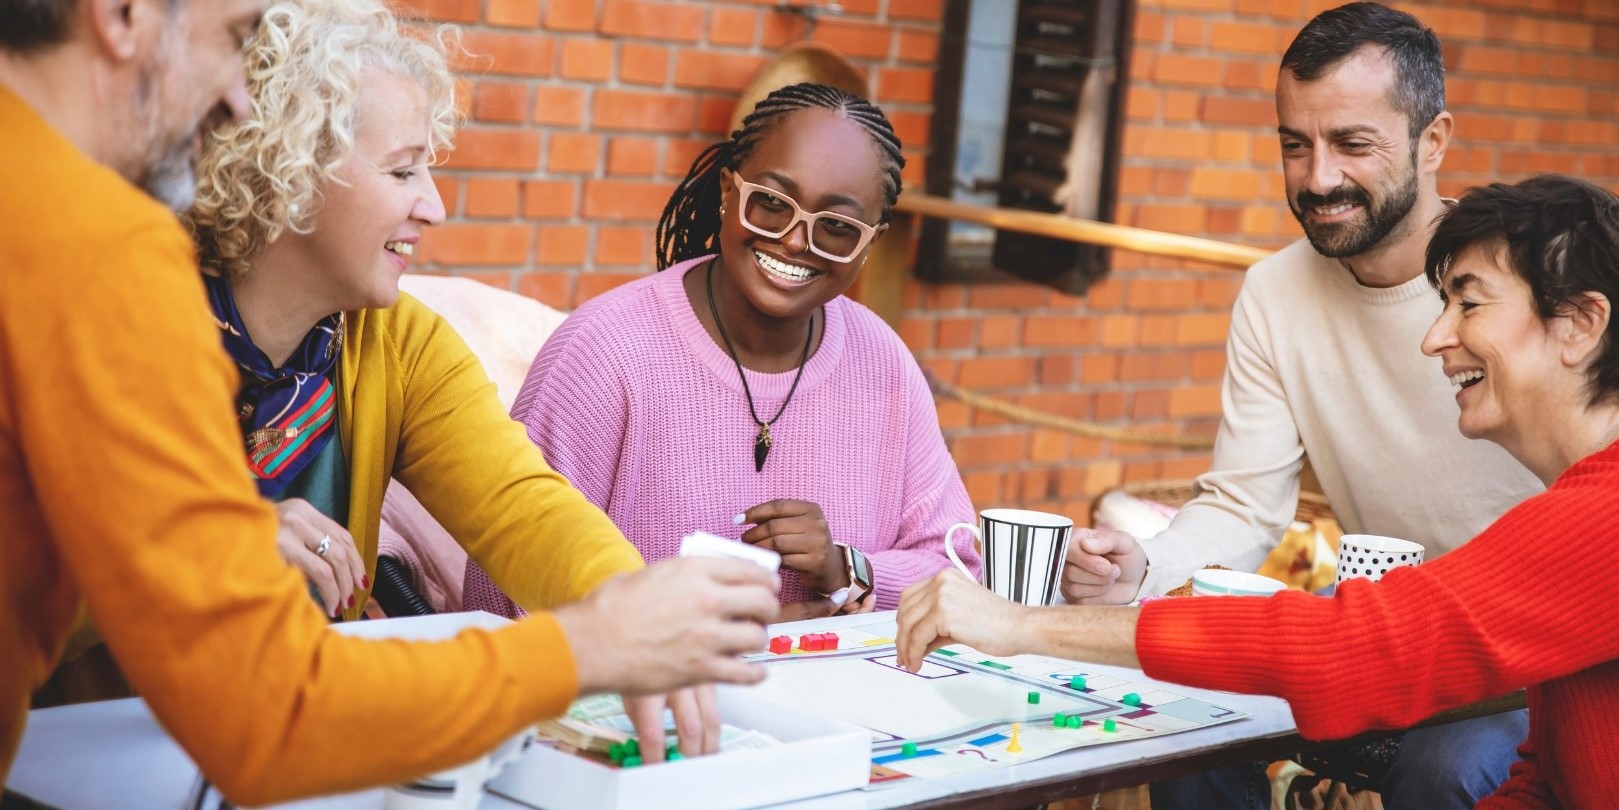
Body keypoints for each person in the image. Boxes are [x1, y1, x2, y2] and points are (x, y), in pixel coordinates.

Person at [0, 0, 776, 800]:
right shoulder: (112, 277)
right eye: (404, 169)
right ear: (288, 168)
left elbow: (528, 511)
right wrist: (235, 539)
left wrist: (631, 607)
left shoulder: (393, 344)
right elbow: (259, 708)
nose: (435, 205)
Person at [899, 172, 1619, 810]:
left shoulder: (1599, 516)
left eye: (1468, 304)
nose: (1434, 337)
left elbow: (1353, 650)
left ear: (1579, 325)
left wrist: (1021, 626)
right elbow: (1544, 785)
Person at [1058, 4, 1537, 806]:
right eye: (1293, 143)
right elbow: (1245, 506)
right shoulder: (1274, 293)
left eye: (1351, 144)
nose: (1316, 178)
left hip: (1524, 652)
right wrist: (1144, 568)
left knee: (1450, 771)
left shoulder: (1520, 285)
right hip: (1376, 627)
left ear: (1433, 142)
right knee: (1186, 707)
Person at [461, 83, 982, 758]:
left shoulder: (882, 363)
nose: (795, 242)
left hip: (846, 744)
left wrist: (845, 568)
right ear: (729, 191)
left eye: (836, 226)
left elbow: (957, 570)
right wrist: (719, 644)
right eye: (771, 202)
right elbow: (502, 595)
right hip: (634, 754)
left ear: (869, 243)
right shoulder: (605, 352)